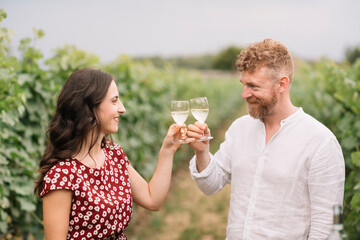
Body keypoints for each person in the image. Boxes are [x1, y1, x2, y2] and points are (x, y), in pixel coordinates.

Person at [186, 39, 345, 239]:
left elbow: (327, 227)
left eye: (253, 86)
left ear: (282, 84)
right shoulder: (239, 129)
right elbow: (210, 185)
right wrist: (202, 152)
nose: (244, 94)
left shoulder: (320, 142)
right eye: (243, 84)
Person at [34, 68, 186, 240]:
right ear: (89, 107)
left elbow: (152, 199)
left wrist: (167, 150)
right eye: (114, 101)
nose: (122, 109)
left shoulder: (114, 154)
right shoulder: (62, 175)